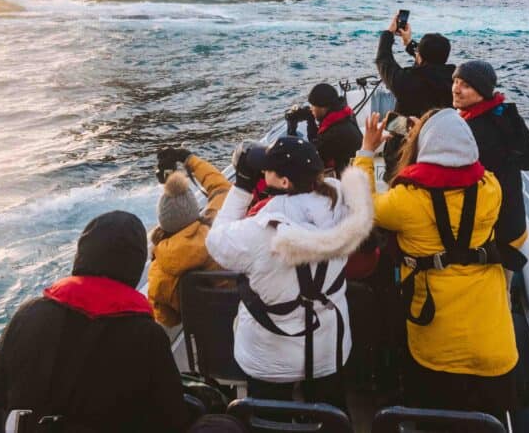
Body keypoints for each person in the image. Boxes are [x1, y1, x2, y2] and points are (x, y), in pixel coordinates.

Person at [355, 109, 518, 421]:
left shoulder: (406, 201)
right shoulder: (491, 188)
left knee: (438, 421)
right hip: (493, 343)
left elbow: (364, 207)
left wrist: (366, 151)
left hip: (436, 345)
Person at [205, 135, 373, 410]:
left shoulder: (259, 230)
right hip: (328, 348)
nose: (263, 172)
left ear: (284, 182)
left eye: (268, 169)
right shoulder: (343, 201)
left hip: (270, 355)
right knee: (331, 412)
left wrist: (243, 187)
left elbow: (216, 241)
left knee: (271, 417)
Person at [0, 211, 189, 433]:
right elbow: (173, 419)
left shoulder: (28, 314)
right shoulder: (148, 337)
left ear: (82, 254)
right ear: (136, 263)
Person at [453, 60, 529, 285]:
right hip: (513, 225)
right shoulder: (503, 114)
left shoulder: (474, 132)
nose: (455, 88)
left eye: (465, 85)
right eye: (455, 81)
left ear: (481, 91)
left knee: (496, 296)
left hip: (495, 236)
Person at [148, 147, 232, 326]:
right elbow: (221, 188)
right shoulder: (217, 226)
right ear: (195, 210)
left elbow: (167, 320)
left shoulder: (159, 269)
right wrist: (189, 159)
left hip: (205, 340)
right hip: (236, 322)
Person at [375, 14, 455, 117]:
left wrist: (389, 33)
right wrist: (409, 43)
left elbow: (383, 59)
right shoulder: (454, 80)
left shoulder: (407, 80)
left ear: (419, 56)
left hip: (408, 131)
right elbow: (430, 58)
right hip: (440, 130)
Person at [286, 83, 362, 176]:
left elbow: (308, 159)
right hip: (347, 164)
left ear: (323, 107)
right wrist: (311, 118)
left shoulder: (334, 133)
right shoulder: (344, 116)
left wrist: (291, 127)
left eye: (313, 106)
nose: (311, 109)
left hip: (344, 177)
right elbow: (317, 142)